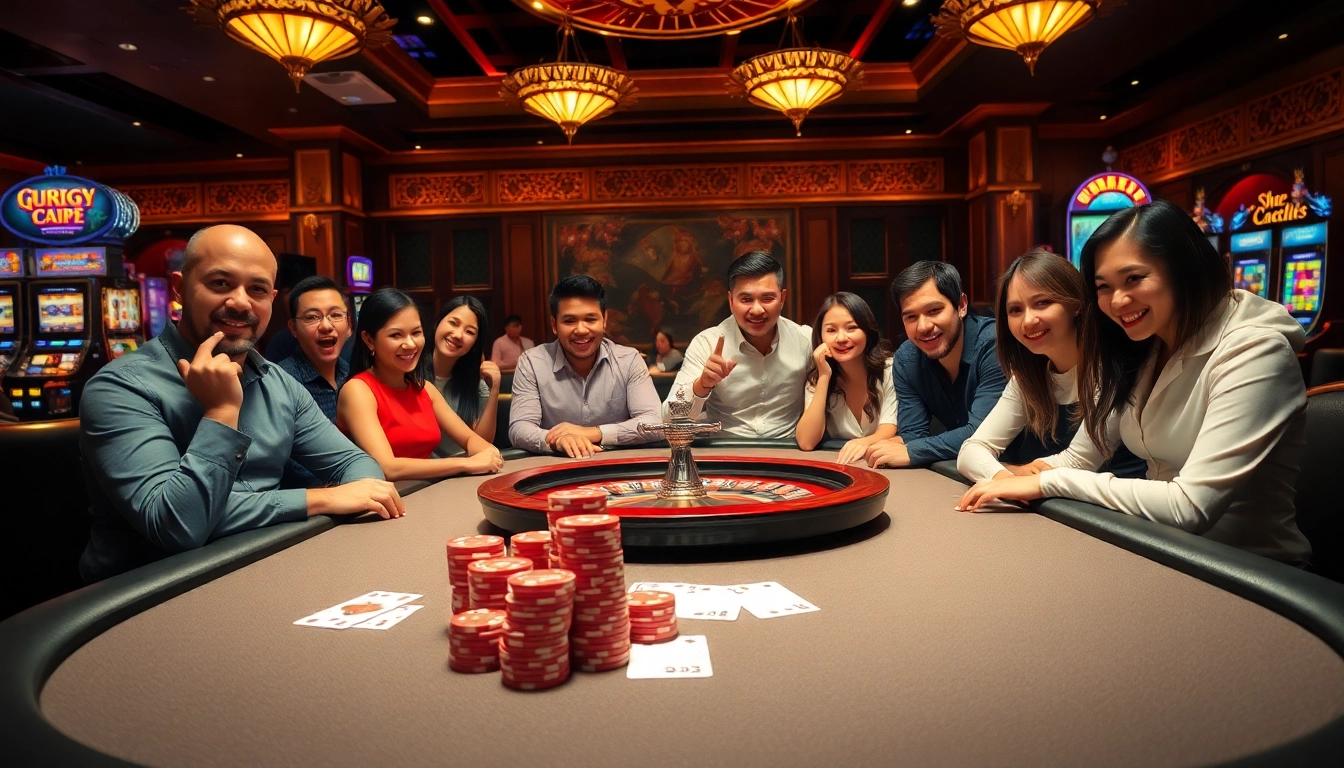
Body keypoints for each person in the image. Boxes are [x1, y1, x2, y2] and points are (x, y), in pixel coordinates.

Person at [956, 200, 1312, 565]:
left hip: (1254, 573)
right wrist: (1007, 480)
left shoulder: (1256, 351)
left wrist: (1045, 482)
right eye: (1104, 286)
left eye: (1134, 279)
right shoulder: (1142, 349)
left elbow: (1189, 508)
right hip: (1162, 549)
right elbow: (1080, 459)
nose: (1118, 300)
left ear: (1183, 268)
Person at [79, 225, 403, 583]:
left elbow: (358, 466)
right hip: (144, 595)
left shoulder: (277, 382)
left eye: (257, 289)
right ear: (180, 288)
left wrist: (235, 510)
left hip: (263, 564)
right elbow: (178, 525)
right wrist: (221, 412)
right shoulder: (119, 387)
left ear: (272, 299)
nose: (240, 302)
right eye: (220, 283)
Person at [957, 249, 1145, 482]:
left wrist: (1016, 473)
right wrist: (1003, 478)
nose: (1028, 321)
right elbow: (971, 450)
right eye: (1015, 310)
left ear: (1076, 304)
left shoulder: (1112, 369)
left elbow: (1080, 463)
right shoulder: (1027, 376)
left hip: (1114, 514)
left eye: (1042, 303)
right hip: (1056, 508)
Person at [337, 288, 503, 481]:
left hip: (426, 493)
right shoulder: (357, 390)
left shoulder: (424, 388)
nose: (410, 344)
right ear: (369, 339)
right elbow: (388, 468)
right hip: (381, 502)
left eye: (416, 333)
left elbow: (470, 438)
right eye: (396, 335)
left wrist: (487, 452)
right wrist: (466, 463)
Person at [865, 261, 1008, 469]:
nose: (923, 326)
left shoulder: (994, 345)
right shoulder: (907, 359)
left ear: (961, 305)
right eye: (911, 317)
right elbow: (913, 433)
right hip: (965, 470)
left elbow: (982, 431)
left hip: (1024, 469)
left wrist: (913, 450)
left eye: (934, 310)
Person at [509, 274, 662, 458]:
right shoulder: (532, 363)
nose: (581, 330)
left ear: (604, 320)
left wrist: (592, 432)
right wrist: (557, 440)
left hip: (619, 468)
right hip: (554, 470)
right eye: (569, 321)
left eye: (590, 319)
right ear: (554, 324)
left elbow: (654, 423)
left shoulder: (629, 360)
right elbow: (519, 428)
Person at [669, 251, 812, 439]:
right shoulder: (706, 343)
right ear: (730, 300)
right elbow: (670, 418)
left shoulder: (806, 340)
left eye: (768, 298)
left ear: (782, 298)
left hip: (787, 452)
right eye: (746, 299)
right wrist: (702, 385)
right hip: (727, 454)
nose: (757, 310)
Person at [796, 292, 897, 464]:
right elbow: (806, 442)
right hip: (843, 466)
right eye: (831, 330)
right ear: (821, 336)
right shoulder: (818, 379)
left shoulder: (890, 370)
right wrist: (824, 376)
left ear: (867, 330)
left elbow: (889, 426)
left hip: (885, 464)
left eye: (851, 328)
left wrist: (864, 442)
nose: (841, 338)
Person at [275, 276, 351, 422]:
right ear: (293, 328)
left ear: (348, 323)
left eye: (335, 315)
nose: (326, 326)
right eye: (311, 317)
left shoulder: (351, 374)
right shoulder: (281, 384)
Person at [431, 296, 500, 456]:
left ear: (475, 342)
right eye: (453, 323)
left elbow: (483, 444)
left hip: (464, 471)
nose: (458, 334)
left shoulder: (475, 385)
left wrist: (494, 389)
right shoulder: (410, 377)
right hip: (421, 474)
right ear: (437, 323)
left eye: (469, 332)